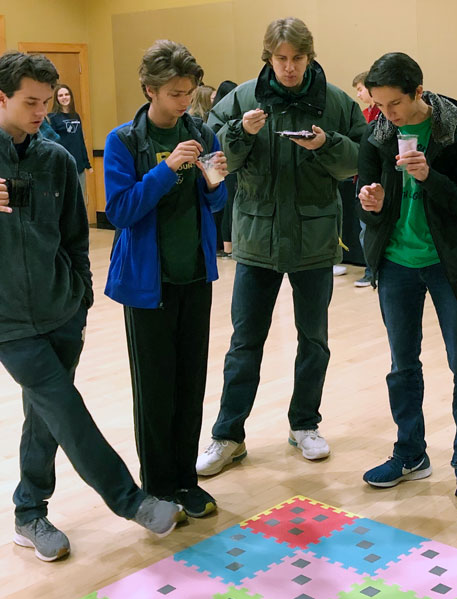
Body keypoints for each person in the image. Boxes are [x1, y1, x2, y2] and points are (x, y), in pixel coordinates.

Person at [0, 51, 185, 563]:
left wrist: (79, 297)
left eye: (46, 100)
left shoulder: (56, 157)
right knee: (62, 404)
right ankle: (131, 501)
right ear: (1, 98)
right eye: (31, 101)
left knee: (45, 413)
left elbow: (75, 239)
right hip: (3, 317)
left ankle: (28, 511)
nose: (42, 110)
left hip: (62, 312)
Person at [197, 17, 366, 476]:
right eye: (281, 59)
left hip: (314, 237)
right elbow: (214, 162)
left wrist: (327, 144)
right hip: (255, 238)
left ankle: (304, 425)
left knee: (314, 340)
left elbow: (360, 161)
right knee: (244, 341)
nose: (289, 68)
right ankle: (228, 435)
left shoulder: (335, 102)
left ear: (310, 57)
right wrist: (241, 134)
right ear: (268, 58)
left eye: (297, 58)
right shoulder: (242, 99)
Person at [356, 52, 457, 505]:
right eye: (378, 106)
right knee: (402, 367)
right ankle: (410, 453)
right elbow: (371, 199)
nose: (387, 116)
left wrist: (430, 177)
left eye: (394, 105)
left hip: (449, 264)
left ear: (418, 92)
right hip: (396, 264)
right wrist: (371, 203)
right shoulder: (377, 135)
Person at [103, 40, 227, 518]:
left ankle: (185, 481)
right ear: (149, 90)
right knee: (154, 387)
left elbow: (216, 206)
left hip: (194, 275)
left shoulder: (203, 134)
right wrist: (168, 168)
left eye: (189, 92)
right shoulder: (124, 141)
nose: (184, 102)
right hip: (145, 283)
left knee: (190, 382)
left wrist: (216, 186)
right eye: (175, 93)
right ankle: (156, 486)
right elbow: (121, 211)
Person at [351, 71, 379, 288]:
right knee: (364, 227)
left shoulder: (382, 114)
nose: (359, 94)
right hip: (361, 178)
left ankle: (373, 270)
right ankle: (370, 268)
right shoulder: (362, 115)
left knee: (370, 227)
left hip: (376, 179)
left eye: (360, 89)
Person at [49, 84, 93, 206]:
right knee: (66, 200)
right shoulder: (52, 118)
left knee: (80, 201)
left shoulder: (76, 116)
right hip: (63, 165)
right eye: (60, 95)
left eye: (66, 94)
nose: (64, 97)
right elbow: (52, 144)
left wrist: (87, 163)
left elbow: (80, 140)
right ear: (56, 98)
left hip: (78, 165)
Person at [212, 80, 238, 258]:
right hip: (227, 163)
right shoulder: (233, 114)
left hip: (213, 162)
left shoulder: (213, 116)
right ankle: (228, 246)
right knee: (228, 205)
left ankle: (220, 245)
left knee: (218, 206)